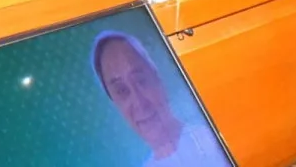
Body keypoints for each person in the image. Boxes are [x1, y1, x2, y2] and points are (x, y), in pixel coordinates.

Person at [91, 32, 231, 167]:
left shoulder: (215, 141)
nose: (139, 103)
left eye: (141, 80)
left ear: (157, 77)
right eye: (122, 91)